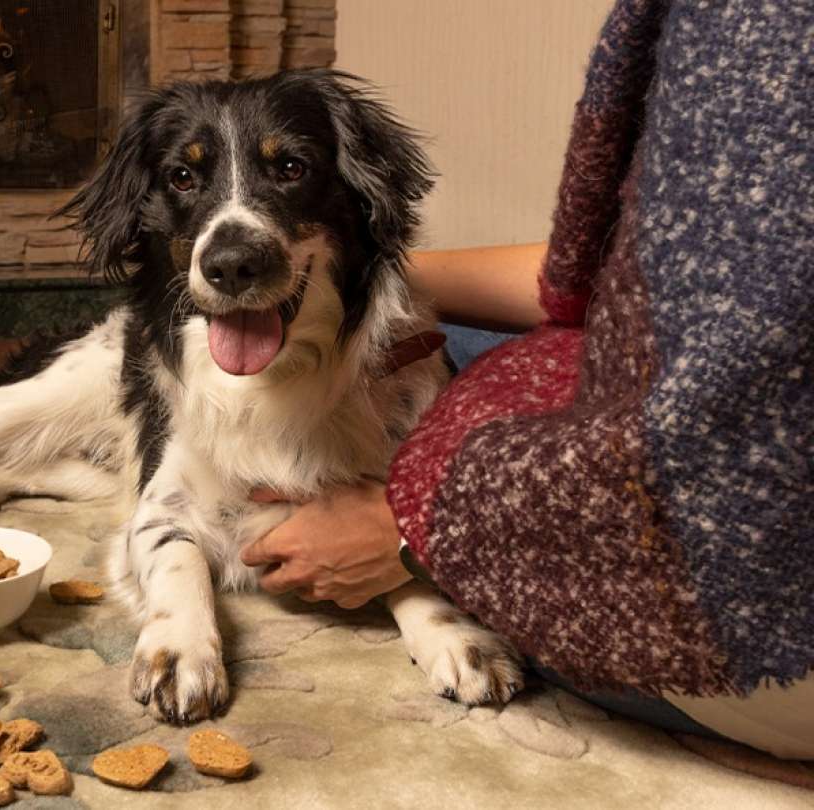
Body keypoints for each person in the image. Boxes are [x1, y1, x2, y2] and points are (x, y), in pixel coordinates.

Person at [241, 0, 813, 761]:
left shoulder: (764, 26)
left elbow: (731, 430)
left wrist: (412, 530)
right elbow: (629, 282)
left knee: (393, 383)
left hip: (766, 627)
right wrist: (363, 286)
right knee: (401, 346)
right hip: (692, 387)